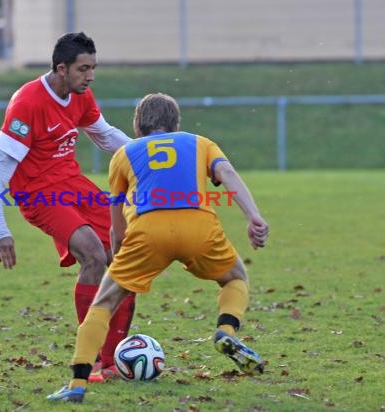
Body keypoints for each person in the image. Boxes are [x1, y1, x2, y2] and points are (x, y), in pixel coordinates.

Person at [47, 93, 269, 402]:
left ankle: (77, 385)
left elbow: (116, 218)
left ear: (137, 127)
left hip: (148, 230)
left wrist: (120, 253)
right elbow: (227, 174)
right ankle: (226, 332)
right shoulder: (200, 142)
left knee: (103, 304)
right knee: (235, 278)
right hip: (198, 225)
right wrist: (253, 216)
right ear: (176, 124)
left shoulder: (124, 154)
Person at [0, 32, 136, 381]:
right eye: (84, 69)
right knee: (94, 256)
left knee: (125, 255)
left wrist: (148, 159)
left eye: (93, 68)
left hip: (72, 184)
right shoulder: (28, 103)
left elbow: (106, 135)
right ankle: (91, 357)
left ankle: (114, 361)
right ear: (61, 68)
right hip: (38, 193)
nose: (90, 76)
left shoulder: (81, 95)